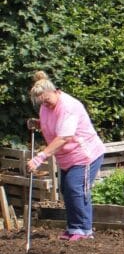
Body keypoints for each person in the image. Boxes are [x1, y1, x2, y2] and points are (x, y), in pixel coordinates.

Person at [26, 71, 106, 241]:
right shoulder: (46, 105)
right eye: (42, 103)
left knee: (76, 188)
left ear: (54, 91)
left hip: (85, 154)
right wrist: (38, 123)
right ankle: (73, 228)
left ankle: (84, 230)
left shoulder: (69, 106)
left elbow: (64, 136)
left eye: (46, 101)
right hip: (67, 157)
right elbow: (53, 123)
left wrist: (40, 157)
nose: (45, 105)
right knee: (67, 190)